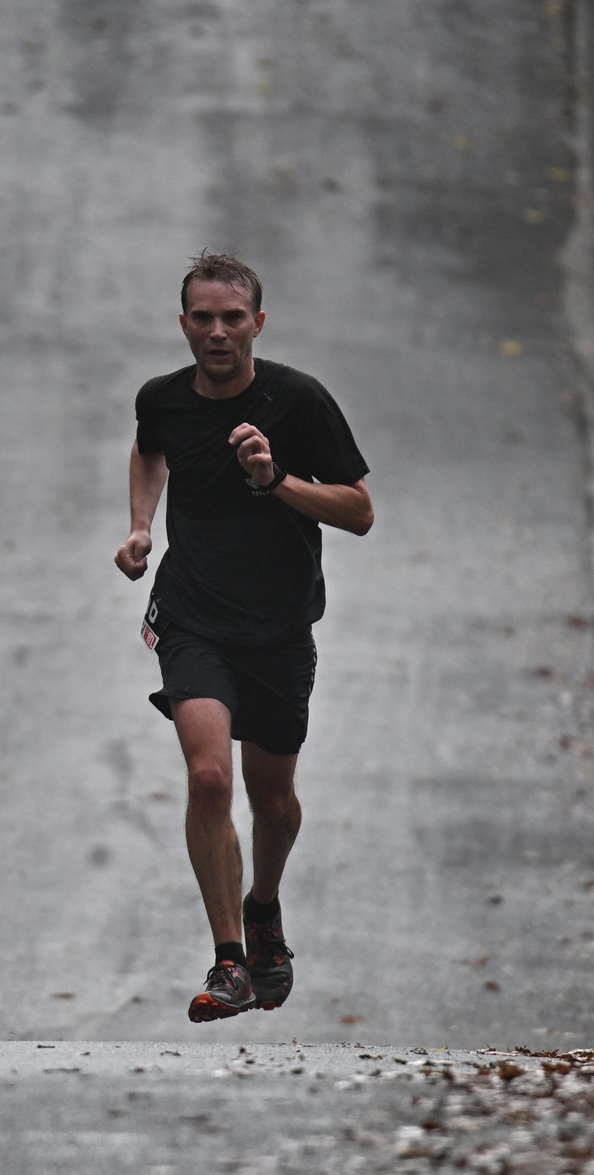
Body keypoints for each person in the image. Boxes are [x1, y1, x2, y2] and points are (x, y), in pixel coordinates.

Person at [115, 252, 372, 1022]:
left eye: (233, 318)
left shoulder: (299, 401)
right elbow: (150, 445)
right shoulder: (162, 398)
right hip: (194, 617)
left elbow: (359, 510)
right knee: (209, 778)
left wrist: (276, 483)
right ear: (184, 323)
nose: (218, 331)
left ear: (258, 323)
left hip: (281, 628)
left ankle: (264, 910)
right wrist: (138, 527)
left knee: (275, 800)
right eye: (203, 318)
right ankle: (229, 959)